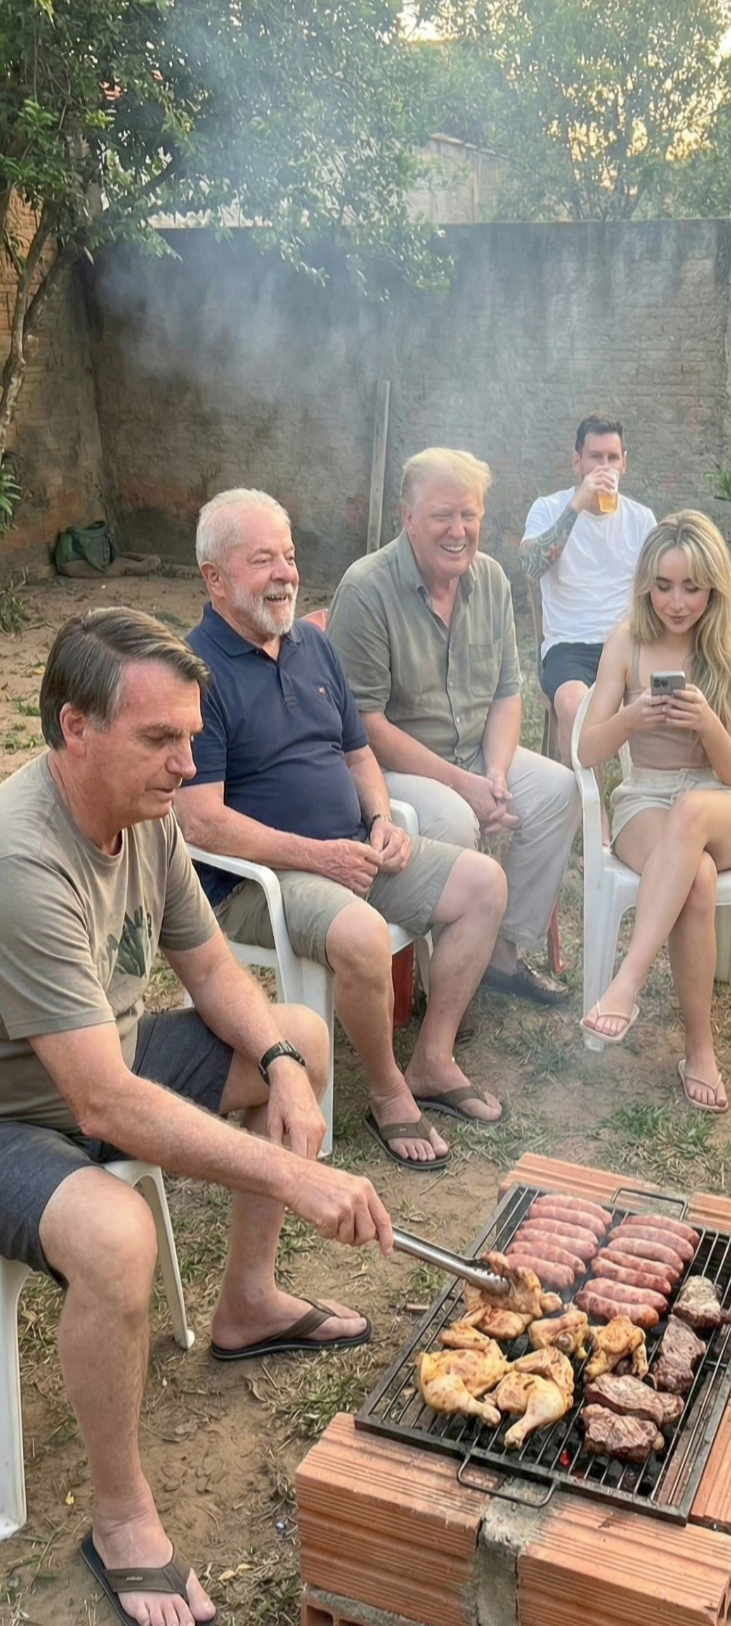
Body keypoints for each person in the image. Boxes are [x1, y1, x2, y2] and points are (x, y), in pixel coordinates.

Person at [0, 608, 394, 1626]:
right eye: (159, 739)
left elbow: (212, 967)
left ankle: (249, 1304)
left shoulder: (147, 814)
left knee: (297, 1035)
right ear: (74, 728)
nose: (187, 764)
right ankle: (120, 1516)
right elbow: (101, 1105)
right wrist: (294, 1173)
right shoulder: (22, 860)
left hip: (103, 1060)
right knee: (114, 1234)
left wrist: (283, 1070)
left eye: (189, 736)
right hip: (14, 1115)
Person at [176, 490, 506, 1171]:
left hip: (349, 855)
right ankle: (387, 1093)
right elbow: (199, 819)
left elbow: (359, 755)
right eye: (263, 560)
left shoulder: (311, 645)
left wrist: (381, 819)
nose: (286, 574)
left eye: (290, 556)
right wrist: (316, 857)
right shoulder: (194, 673)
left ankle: (431, 1060)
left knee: (484, 885)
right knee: (360, 933)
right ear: (215, 578)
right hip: (259, 884)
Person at [326, 448, 579, 1007]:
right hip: (390, 770)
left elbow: (507, 694)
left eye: (469, 514)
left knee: (559, 791)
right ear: (408, 518)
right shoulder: (366, 590)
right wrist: (465, 786)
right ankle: (441, 981)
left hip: (473, 756)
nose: (458, 530)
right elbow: (362, 725)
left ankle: (500, 953)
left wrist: (495, 774)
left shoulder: (490, 580)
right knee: (455, 817)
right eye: (442, 515)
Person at [577, 512, 731, 1112]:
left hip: (720, 802)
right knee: (696, 878)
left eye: (691, 588)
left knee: (693, 813)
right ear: (645, 585)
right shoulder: (626, 641)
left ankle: (626, 983)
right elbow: (588, 750)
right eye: (663, 586)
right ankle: (700, 1051)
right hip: (646, 797)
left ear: (714, 588)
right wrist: (632, 718)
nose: (676, 602)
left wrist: (706, 722)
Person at [520, 413, 656, 782]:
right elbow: (530, 568)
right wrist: (577, 505)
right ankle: (594, 815)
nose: (604, 467)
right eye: (595, 457)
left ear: (624, 463)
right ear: (577, 461)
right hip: (569, 647)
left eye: (612, 458)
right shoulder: (549, 509)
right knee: (575, 707)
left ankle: (648, 798)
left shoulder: (641, 520)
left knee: (668, 698)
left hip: (627, 644)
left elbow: (660, 588)